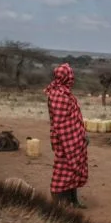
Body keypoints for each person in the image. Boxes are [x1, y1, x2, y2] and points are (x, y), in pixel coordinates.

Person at [45, 63, 89, 208]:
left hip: (75, 137)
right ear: (65, 77)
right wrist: (71, 140)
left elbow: (73, 118)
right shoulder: (58, 95)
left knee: (74, 167)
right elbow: (61, 122)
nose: (72, 78)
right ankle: (57, 204)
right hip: (65, 138)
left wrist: (81, 135)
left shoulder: (63, 92)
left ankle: (73, 200)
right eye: (70, 75)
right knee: (63, 167)